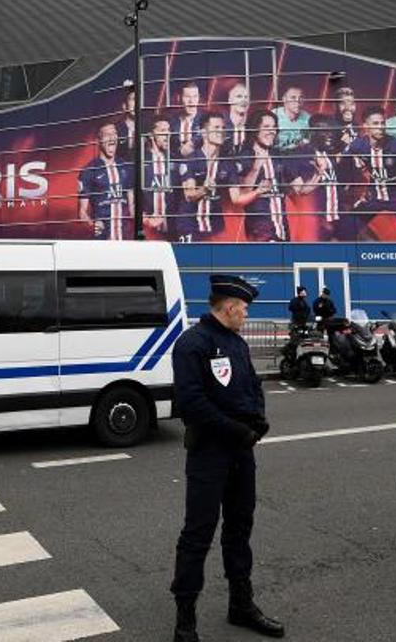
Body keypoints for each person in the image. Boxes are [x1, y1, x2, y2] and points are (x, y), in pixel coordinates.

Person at [170, 275, 284, 642]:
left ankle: (241, 605)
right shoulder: (192, 344)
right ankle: (185, 621)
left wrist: (259, 420)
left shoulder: (235, 342)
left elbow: (252, 385)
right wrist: (237, 430)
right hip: (209, 454)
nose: (246, 315)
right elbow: (191, 402)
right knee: (197, 534)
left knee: (240, 530)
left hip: (241, 452)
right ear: (230, 307)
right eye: (244, 309)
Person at [345, 109, 396, 242]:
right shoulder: (358, 146)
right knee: (347, 229)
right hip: (373, 197)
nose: (381, 127)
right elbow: (342, 164)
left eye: (383, 123)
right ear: (366, 126)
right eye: (375, 124)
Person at [231, 110, 308, 243]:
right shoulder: (245, 156)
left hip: (282, 228)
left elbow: (298, 188)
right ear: (255, 130)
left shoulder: (277, 155)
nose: (272, 131)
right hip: (260, 230)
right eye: (266, 127)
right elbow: (242, 194)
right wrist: (256, 167)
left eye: (274, 127)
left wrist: (316, 174)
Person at [176, 113, 234, 243]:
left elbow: (236, 197)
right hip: (190, 225)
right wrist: (204, 189)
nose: (221, 132)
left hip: (216, 226)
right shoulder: (190, 160)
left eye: (223, 128)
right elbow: (189, 195)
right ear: (203, 132)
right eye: (216, 127)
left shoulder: (227, 163)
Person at [77, 123, 134, 241]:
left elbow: (132, 206)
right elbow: (82, 213)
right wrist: (92, 225)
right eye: (107, 135)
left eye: (114, 134)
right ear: (99, 140)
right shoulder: (89, 171)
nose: (112, 137)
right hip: (102, 240)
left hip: (126, 238)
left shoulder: (126, 167)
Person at [143, 115, 177, 236]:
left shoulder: (174, 159)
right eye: (163, 131)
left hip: (173, 230)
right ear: (151, 135)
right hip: (149, 231)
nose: (168, 134)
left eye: (169, 130)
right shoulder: (140, 161)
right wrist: (146, 220)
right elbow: (131, 198)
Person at [171, 81, 205, 158]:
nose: (191, 101)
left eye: (195, 96)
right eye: (187, 96)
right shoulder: (172, 120)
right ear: (179, 98)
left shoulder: (205, 119)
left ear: (199, 98)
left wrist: (191, 144)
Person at [271, 85, 310, 150]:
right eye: (293, 97)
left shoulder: (307, 118)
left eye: (301, 97)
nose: (297, 101)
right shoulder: (272, 116)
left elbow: (309, 141)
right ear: (284, 99)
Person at [224, 82, 251, 158]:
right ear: (229, 100)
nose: (243, 100)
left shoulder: (253, 124)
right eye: (239, 96)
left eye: (246, 97)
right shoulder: (220, 123)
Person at [117, 86, 137, 154]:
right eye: (133, 99)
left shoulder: (147, 128)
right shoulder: (117, 129)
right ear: (124, 106)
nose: (136, 104)